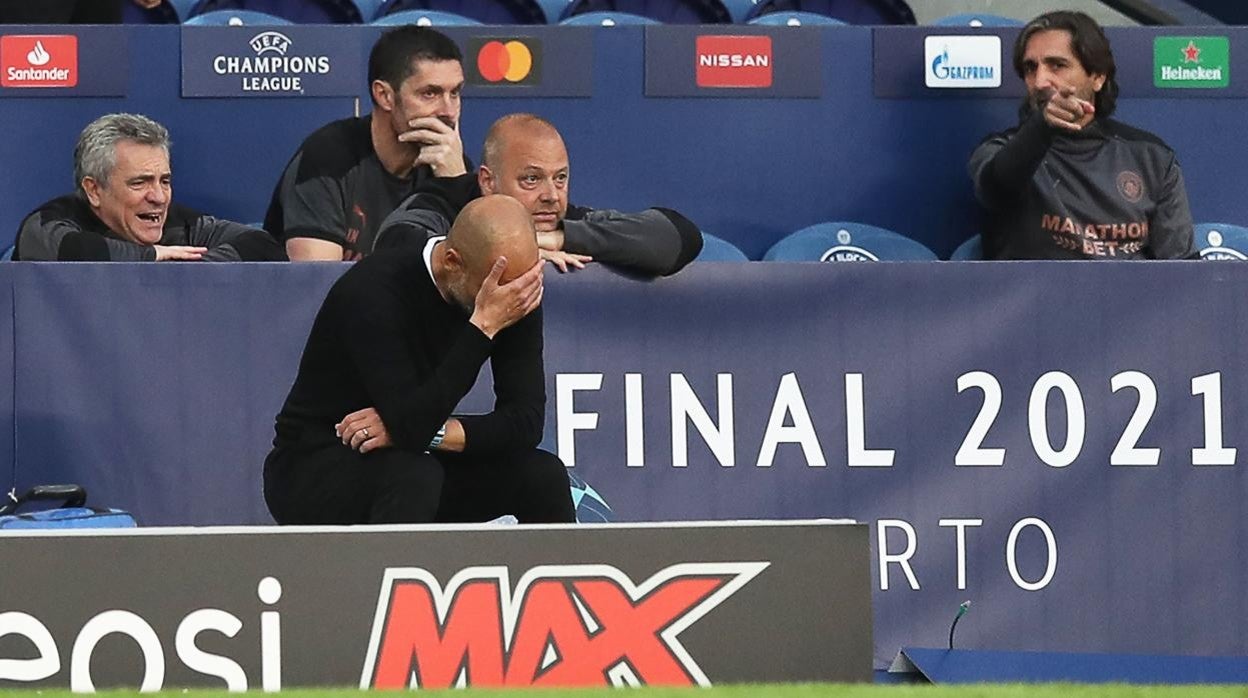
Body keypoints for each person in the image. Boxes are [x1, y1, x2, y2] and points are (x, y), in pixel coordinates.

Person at [263, 193, 574, 525]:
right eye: (495, 289)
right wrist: (483, 326)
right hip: (316, 460)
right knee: (414, 475)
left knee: (543, 476)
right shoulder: (375, 292)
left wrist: (436, 432)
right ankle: (388, 578)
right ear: (452, 262)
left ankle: (565, 577)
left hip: (415, 449)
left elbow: (525, 423)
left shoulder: (512, 289)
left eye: (520, 285)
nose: (510, 298)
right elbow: (412, 426)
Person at [968, 11, 1197, 260]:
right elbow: (996, 189)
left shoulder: (1152, 158)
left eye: (1057, 65)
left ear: (1097, 77)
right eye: (1030, 68)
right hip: (1035, 298)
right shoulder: (1000, 150)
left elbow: (1185, 273)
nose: (1041, 80)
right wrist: (1043, 127)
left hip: (1130, 298)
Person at [378, 113, 704, 276]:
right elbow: (396, 247)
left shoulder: (558, 220)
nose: (551, 195)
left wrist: (559, 239)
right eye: (531, 179)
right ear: (488, 182)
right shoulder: (441, 201)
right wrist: (511, 250)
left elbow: (678, 237)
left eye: (560, 178)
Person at [265, 26, 471, 262]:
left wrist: (456, 186)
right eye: (429, 94)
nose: (448, 111)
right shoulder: (328, 158)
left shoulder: (451, 165)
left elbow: (476, 278)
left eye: (454, 93)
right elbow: (316, 286)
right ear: (384, 96)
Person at [14, 113, 283, 262]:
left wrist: (190, 270)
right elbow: (77, 254)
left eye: (164, 181)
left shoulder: (180, 225)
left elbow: (261, 246)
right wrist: (152, 257)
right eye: (139, 182)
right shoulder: (48, 225)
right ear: (94, 190)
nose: (157, 197)